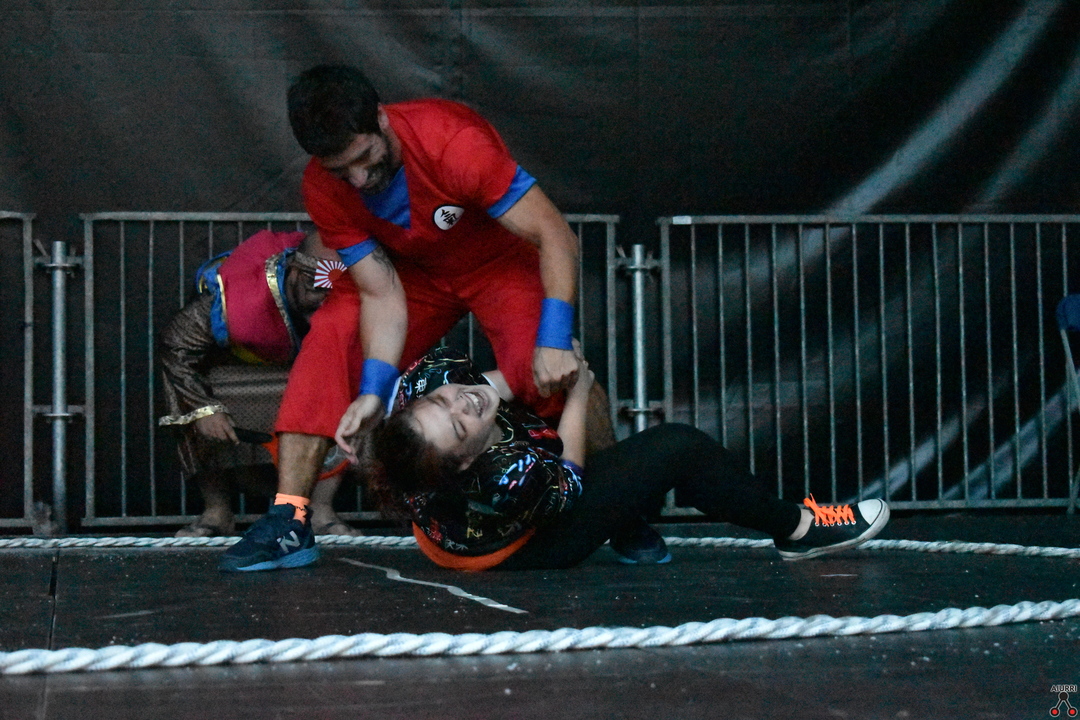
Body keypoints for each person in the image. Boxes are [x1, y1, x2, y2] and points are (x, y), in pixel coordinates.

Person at [220, 64, 610, 571]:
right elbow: (380, 294)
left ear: (382, 119)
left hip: (499, 265)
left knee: (553, 370)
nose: (358, 180)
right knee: (333, 335)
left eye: (363, 159)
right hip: (413, 275)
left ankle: (617, 507)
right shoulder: (324, 187)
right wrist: (373, 389)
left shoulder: (454, 143)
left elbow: (555, 234)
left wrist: (553, 338)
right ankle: (289, 519)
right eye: (341, 171)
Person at [365, 347, 891, 570]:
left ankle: (624, 516)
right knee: (677, 446)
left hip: (460, 510)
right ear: (463, 462)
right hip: (518, 547)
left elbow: (485, 387)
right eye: (459, 425)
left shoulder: (424, 383)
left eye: (444, 402)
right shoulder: (504, 478)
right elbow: (567, 479)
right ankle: (798, 529)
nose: (462, 403)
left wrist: (555, 366)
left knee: (563, 370)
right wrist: (575, 392)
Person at [159, 229, 360, 537]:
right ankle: (216, 511)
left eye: (335, 294)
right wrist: (204, 408)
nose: (325, 302)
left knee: (357, 389)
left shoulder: (360, 293)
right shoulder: (235, 293)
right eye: (317, 289)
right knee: (190, 395)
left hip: (310, 371)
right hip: (235, 369)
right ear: (295, 272)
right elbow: (176, 344)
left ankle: (321, 510)